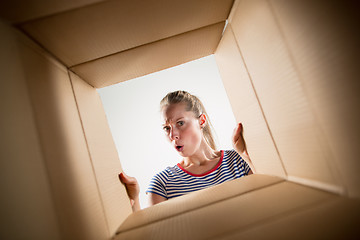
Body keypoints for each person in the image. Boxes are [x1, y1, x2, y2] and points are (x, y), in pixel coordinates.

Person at [119, 90, 255, 212]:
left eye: (180, 123)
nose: (173, 135)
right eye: (167, 128)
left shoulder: (239, 160)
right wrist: (134, 201)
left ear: (201, 121)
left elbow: (272, 201)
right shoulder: (163, 183)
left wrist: (247, 156)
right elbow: (151, 234)